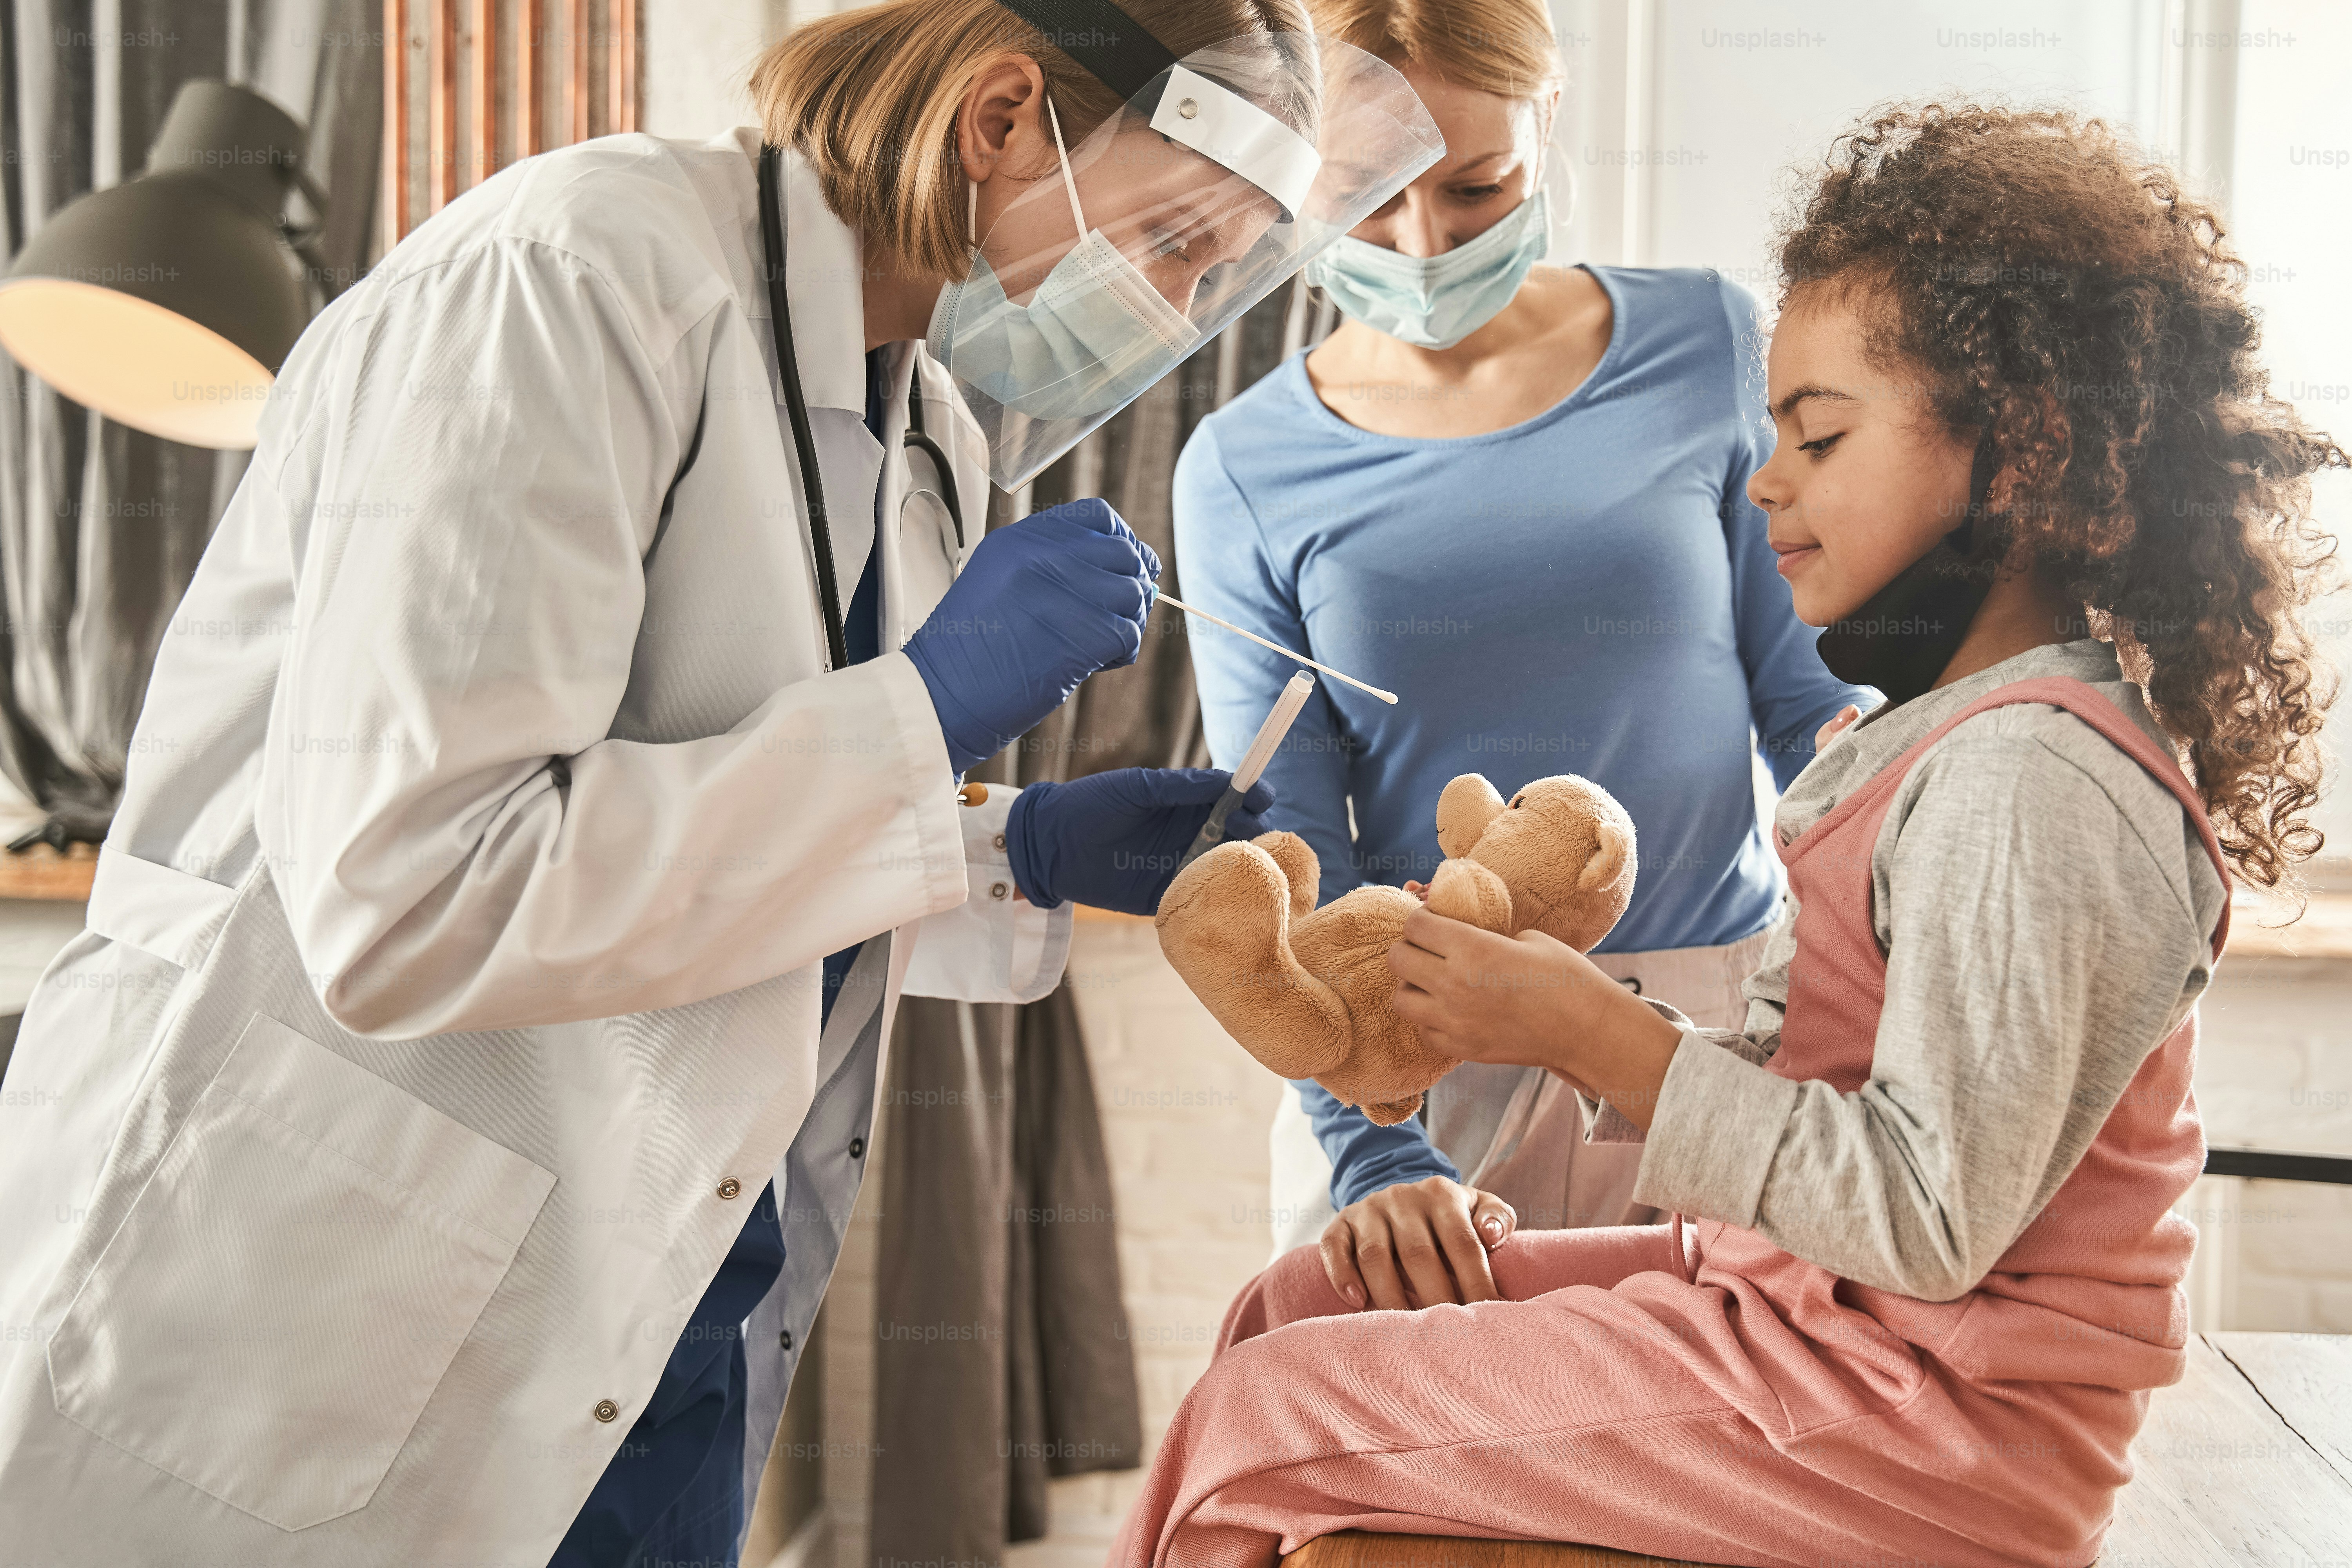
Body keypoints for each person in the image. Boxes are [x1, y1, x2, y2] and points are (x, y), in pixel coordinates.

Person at [0, 3, 1437, 1563]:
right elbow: (406, 889)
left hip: (678, 1302)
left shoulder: (929, 435)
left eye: (1220, 275)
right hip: (312, 1277)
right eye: (1171, 241)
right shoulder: (568, 283)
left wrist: (1011, 847)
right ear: (1001, 117)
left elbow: (743, 864)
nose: (1175, 312)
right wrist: (924, 705)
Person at [1116, 103, 2340, 1566]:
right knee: (1299, 1309)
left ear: (2019, 457)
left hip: (1936, 1413)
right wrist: (1581, 1013)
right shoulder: (1937, 744)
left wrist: (1591, 1036)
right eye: (1771, 435)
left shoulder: (2038, 787)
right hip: (1836, 1323)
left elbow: (1924, 1216)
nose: (1764, 481)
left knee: (1268, 1412)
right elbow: (1830, 1094)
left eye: (1819, 437)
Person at [1171, 0, 1866, 1307]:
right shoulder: (1243, 465)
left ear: (1547, 123)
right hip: (1419, 1063)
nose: (1421, 247)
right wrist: (1375, 1153)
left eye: (1477, 189)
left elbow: (1808, 698)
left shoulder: (1710, 341)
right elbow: (1287, 849)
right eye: (1363, 201)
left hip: (1705, 1045)